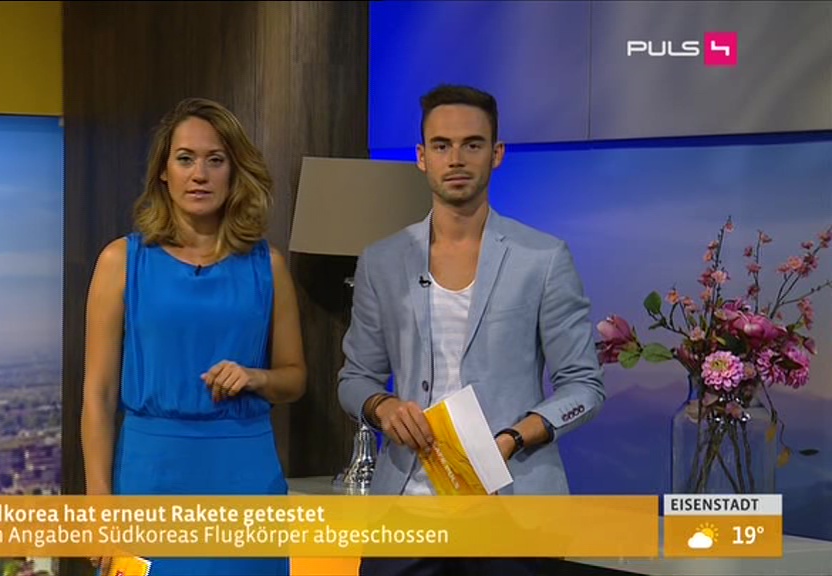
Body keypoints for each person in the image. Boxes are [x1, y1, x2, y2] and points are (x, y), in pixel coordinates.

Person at [337, 84, 606, 576]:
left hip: (512, 510)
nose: (456, 159)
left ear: (496, 154)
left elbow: (584, 386)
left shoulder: (543, 258)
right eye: (442, 145)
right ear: (422, 157)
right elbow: (355, 379)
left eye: (472, 144)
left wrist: (512, 439)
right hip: (407, 511)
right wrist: (383, 407)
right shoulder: (382, 261)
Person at [81, 97, 307, 576]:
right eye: (185, 159)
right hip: (150, 476)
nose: (199, 174)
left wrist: (256, 377)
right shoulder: (121, 262)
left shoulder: (268, 267)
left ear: (234, 172)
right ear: (164, 172)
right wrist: (99, 505)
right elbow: (98, 395)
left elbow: (294, 379)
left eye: (215, 160)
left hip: (245, 477)